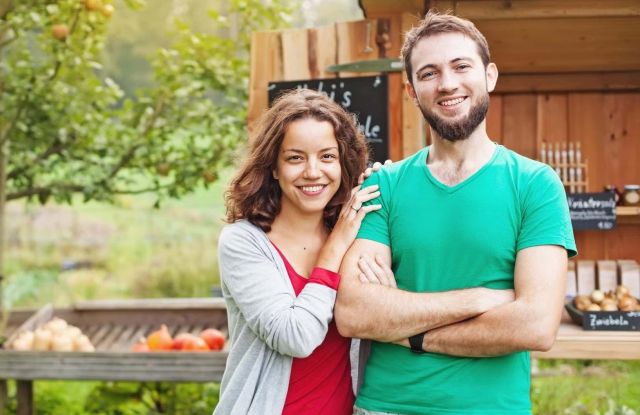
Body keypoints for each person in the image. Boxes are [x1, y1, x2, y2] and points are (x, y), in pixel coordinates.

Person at [334, 11, 577, 415]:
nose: (447, 83)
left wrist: (412, 333)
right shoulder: (383, 186)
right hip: (387, 406)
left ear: (490, 76)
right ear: (412, 91)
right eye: (429, 73)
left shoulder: (535, 185)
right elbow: (356, 313)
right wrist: (482, 298)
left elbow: (535, 325)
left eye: (461, 66)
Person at [214, 89, 390, 415]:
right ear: (274, 167)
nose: (312, 172)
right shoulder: (243, 243)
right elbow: (296, 337)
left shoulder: (359, 234)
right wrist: (336, 244)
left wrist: (392, 184)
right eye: (295, 157)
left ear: (343, 164)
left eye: (327, 156)